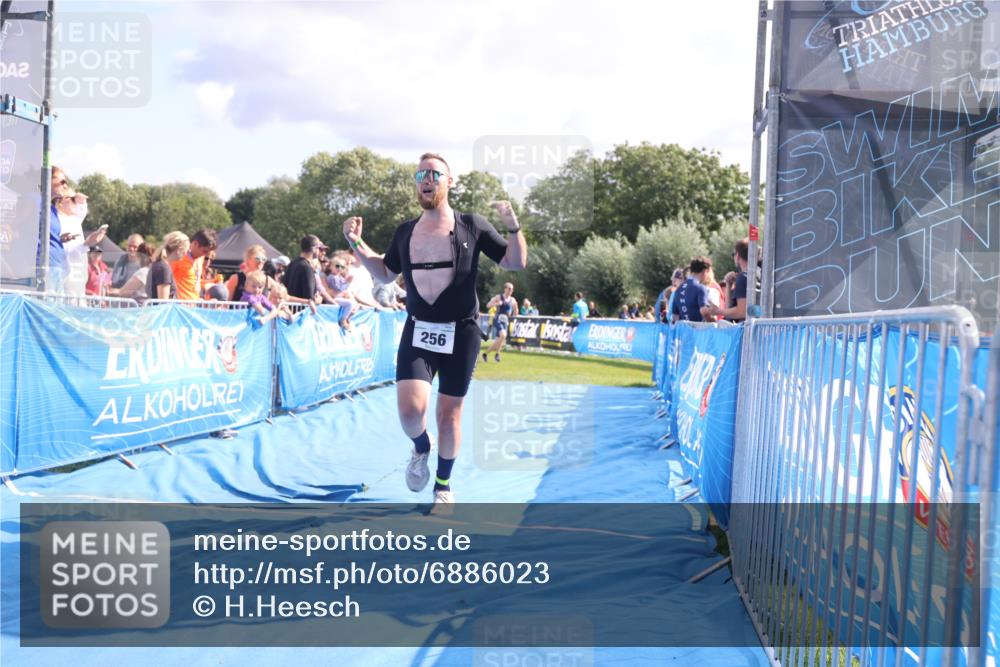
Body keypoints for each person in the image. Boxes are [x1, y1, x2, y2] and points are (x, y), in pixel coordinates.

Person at [343, 152, 526, 505]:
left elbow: (515, 263)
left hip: (463, 333)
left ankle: (443, 485)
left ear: (449, 181)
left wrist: (513, 226)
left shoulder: (472, 225)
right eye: (420, 175)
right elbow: (383, 272)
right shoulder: (405, 231)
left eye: (434, 174)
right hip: (419, 330)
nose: (427, 180)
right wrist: (353, 241)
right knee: (411, 414)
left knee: (448, 415)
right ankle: (420, 448)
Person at [705, 238, 751, 323]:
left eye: (733, 254)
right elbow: (730, 310)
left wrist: (718, 311)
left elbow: (742, 311)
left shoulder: (743, 278)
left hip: (744, 331)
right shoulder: (757, 274)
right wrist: (728, 285)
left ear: (737, 256)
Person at [171, 228, 217, 301]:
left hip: (193, 306)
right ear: (195, 243)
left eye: (207, 253)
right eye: (204, 251)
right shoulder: (178, 256)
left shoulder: (200, 258)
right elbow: (165, 280)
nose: (204, 255)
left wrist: (209, 285)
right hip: (178, 307)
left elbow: (193, 281)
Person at [283, 234, 326, 306]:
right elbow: (309, 298)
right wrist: (319, 300)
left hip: (289, 310)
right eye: (319, 248)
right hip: (301, 313)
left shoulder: (292, 263)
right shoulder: (307, 268)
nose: (319, 251)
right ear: (314, 249)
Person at [148, 232, 189, 300]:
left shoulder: (159, 264)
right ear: (179, 250)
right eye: (186, 251)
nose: (186, 254)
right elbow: (163, 303)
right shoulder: (164, 268)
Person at [483, 282, 517, 363]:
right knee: (503, 335)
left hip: (505, 321)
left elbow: (516, 311)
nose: (510, 290)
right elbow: (488, 305)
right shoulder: (499, 297)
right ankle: (497, 354)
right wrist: (497, 303)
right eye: (509, 289)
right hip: (497, 319)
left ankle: (486, 354)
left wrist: (513, 314)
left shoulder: (513, 300)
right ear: (505, 289)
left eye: (512, 289)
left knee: (500, 339)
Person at [672, 257, 712, 323]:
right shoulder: (701, 288)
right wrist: (713, 322)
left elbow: (675, 316)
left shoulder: (678, 289)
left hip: (684, 331)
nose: (708, 276)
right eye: (708, 272)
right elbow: (704, 311)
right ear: (704, 271)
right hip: (698, 331)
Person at [325, 252, 358, 330]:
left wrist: (347, 282)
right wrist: (348, 282)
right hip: (334, 299)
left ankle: (346, 318)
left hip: (338, 297)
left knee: (354, 304)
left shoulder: (338, 276)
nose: (339, 268)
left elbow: (343, 288)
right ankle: (343, 320)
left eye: (342, 267)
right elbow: (340, 288)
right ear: (331, 267)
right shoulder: (332, 277)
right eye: (337, 266)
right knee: (350, 303)